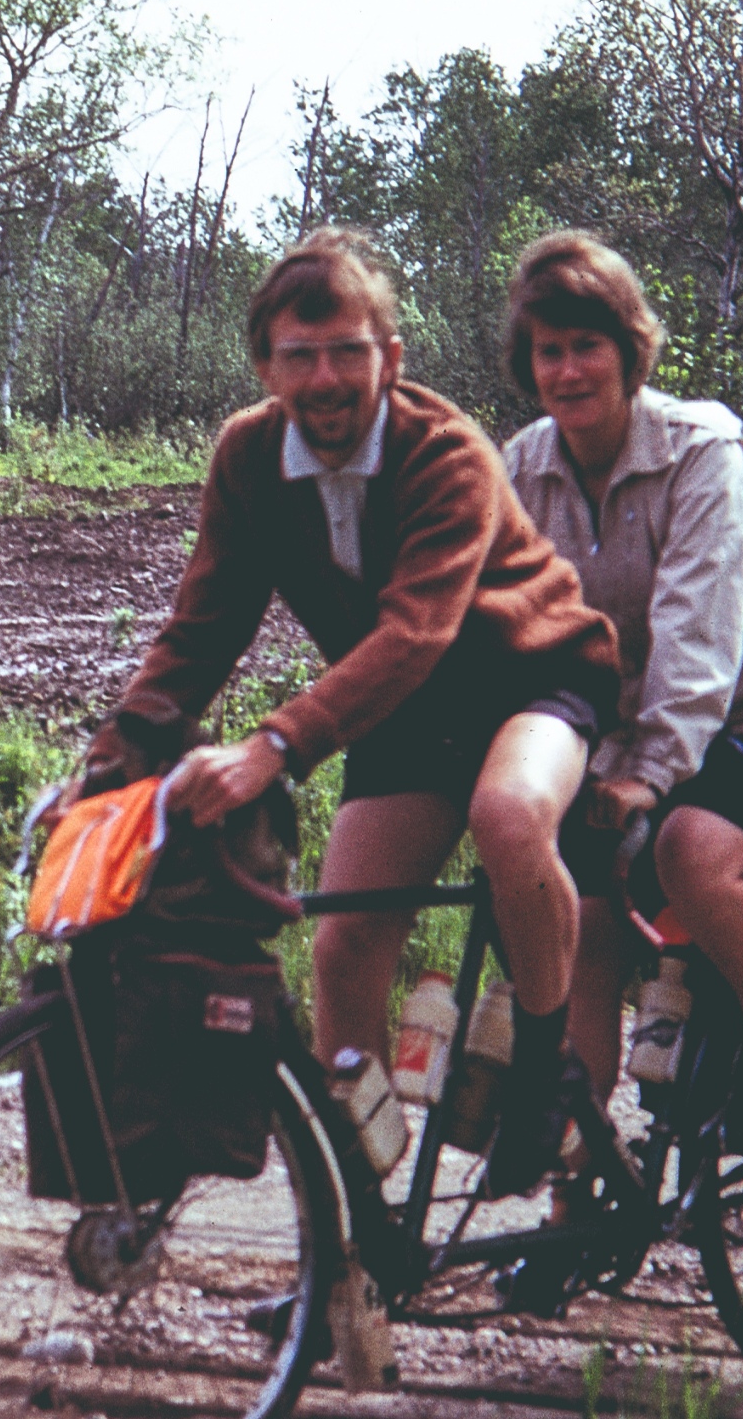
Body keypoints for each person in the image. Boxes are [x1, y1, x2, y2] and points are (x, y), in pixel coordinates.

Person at [80, 229, 621, 1197]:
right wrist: (118, 748)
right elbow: (200, 629)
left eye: (347, 352)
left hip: (531, 676)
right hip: (408, 717)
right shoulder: (248, 457)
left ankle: (545, 1070)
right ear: (263, 365)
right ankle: (350, 1229)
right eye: (299, 356)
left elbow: (414, 631)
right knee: (340, 949)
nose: (325, 379)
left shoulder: (442, 451)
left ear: (390, 358)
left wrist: (273, 747)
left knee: (505, 813)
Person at [497, 231, 743, 1173]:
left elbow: (701, 631)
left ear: (629, 349)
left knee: (691, 852)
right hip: (621, 742)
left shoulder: (703, 450)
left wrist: (649, 773)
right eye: (548, 350)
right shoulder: (521, 469)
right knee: (582, 935)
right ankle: (580, 1204)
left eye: (587, 346)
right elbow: (497, 626)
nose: (568, 370)